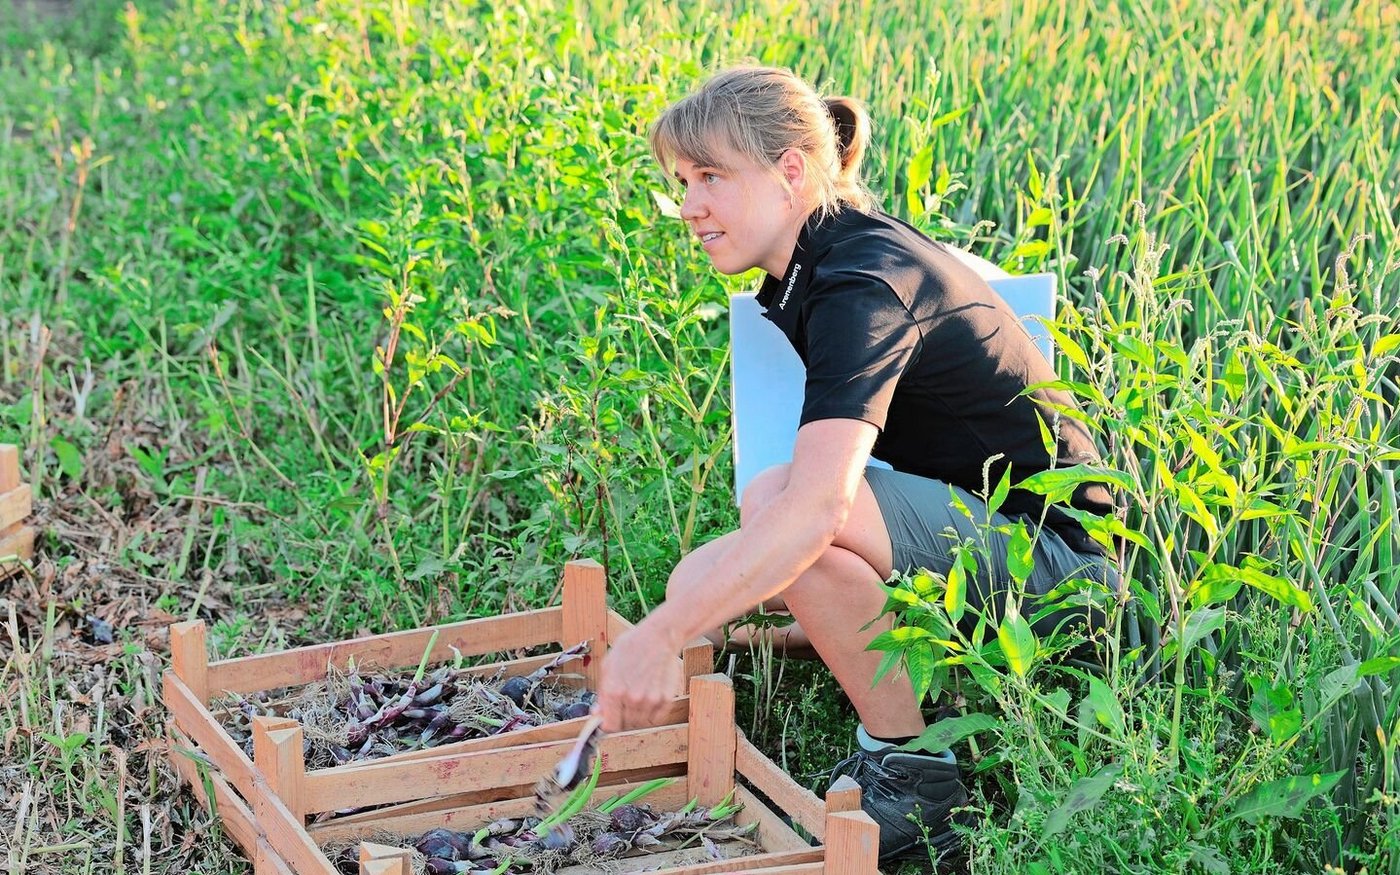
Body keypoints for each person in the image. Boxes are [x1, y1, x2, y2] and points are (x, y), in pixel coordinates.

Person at [595, 65, 1120, 865]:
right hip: (999, 539)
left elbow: (818, 513)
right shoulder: (828, 257)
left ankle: (919, 779)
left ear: (792, 171)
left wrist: (662, 635)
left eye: (710, 177)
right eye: (681, 181)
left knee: (785, 521)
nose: (688, 205)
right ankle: (921, 700)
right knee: (728, 553)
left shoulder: (859, 280)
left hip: (1071, 577)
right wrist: (688, 613)